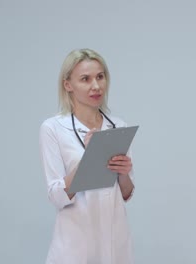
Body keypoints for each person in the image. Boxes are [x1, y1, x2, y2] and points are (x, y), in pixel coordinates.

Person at [39, 48, 135, 263]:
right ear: (68, 85)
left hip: (115, 241)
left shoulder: (118, 126)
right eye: (85, 79)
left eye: (100, 77)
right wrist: (92, 156)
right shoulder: (53, 128)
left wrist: (124, 173)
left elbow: (126, 193)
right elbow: (56, 195)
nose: (96, 86)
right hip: (75, 245)